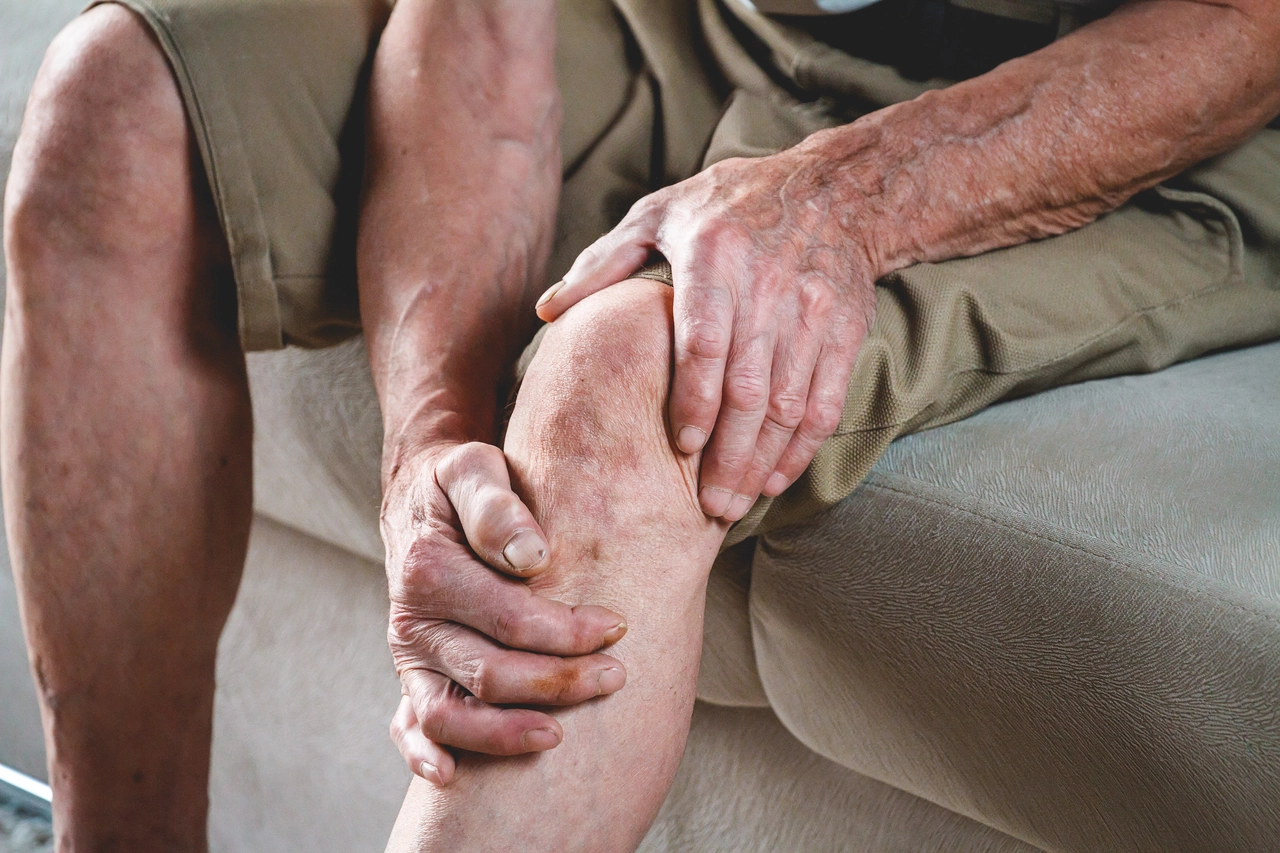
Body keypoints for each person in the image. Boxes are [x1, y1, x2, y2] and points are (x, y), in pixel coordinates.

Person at [4, 0, 1279, 849]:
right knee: (111, 106)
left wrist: (833, 199)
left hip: (1146, 92)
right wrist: (429, 450)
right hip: (713, 24)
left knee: (640, 366)